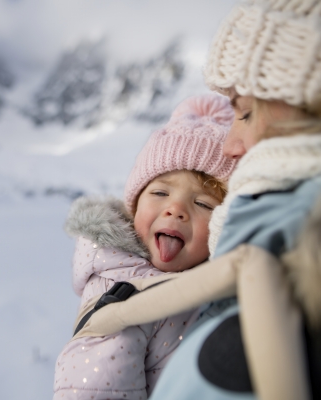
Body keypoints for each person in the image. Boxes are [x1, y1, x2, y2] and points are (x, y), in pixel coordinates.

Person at [71, 1, 321, 399]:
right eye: (158, 191)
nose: (231, 145)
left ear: (308, 109)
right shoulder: (123, 296)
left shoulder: (276, 289)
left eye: (243, 113)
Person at [53, 93, 237, 400]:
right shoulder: (121, 291)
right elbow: (95, 388)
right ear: (134, 206)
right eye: (161, 193)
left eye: (203, 203)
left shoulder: (221, 282)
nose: (175, 209)